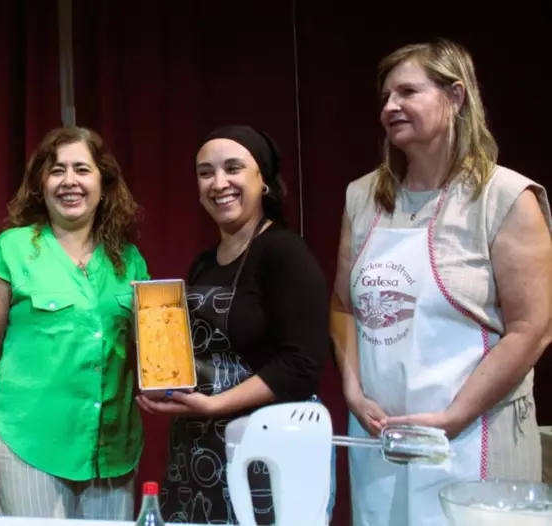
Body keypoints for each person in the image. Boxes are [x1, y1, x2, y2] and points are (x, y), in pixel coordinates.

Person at [332, 39, 552, 525]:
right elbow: (342, 307)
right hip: (383, 445)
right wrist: (353, 391)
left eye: (407, 92)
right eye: (385, 97)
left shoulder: (505, 197)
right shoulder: (363, 197)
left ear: (455, 96)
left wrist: (453, 418)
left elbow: (532, 329)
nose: (390, 107)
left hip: (475, 439)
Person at [137, 125, 335, 525]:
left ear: (263, 180)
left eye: (232, 168)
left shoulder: (284, 253)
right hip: (198, 448)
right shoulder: (203, 263)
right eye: (205, 172)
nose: (218, 183)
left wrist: (214, 404)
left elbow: (301, 365)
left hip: (266, 448)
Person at [0, 126, 148, 520]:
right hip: (29, 443)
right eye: (57, 170)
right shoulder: (10, 249)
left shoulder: (129, 260)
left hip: (111, 451)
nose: (69, 181)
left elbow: (150, 349)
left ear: (103, 184)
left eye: (82, 169)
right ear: (40, 185)